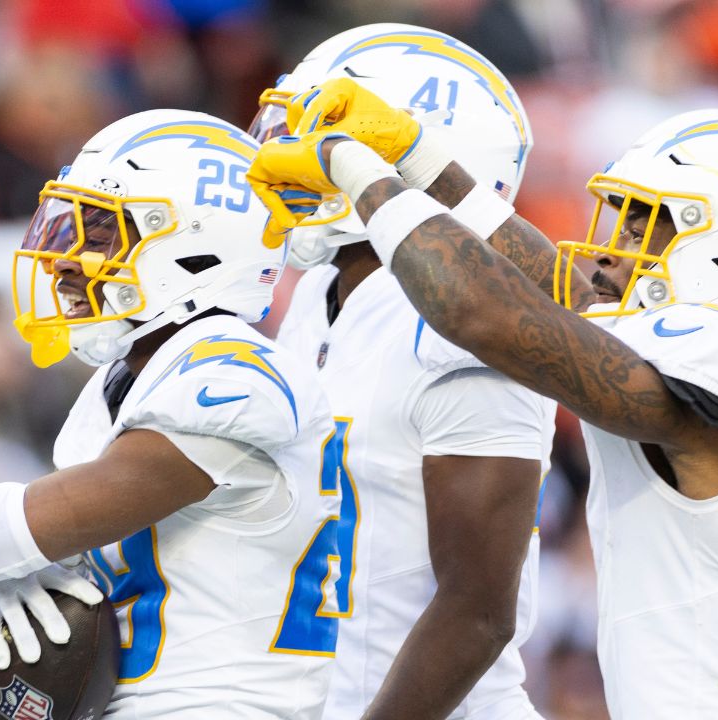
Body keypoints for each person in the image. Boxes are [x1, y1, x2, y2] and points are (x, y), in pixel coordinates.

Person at [248, 84, 718, 718]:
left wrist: (360, 174)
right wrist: (422, 160)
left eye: (644, 226)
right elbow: (561, 301)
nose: (611, 248)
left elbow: (486, 314)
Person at [0, 109, 340, 718]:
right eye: (66, 230)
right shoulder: (121, 383)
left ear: (197, 249)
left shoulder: (234, 372)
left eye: (98, 236)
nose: (62, 260)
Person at [249, 25, 554, 720]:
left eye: (321, 134)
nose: (286, 156)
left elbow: (477, 614)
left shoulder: (458, 327)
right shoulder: (317, 303)